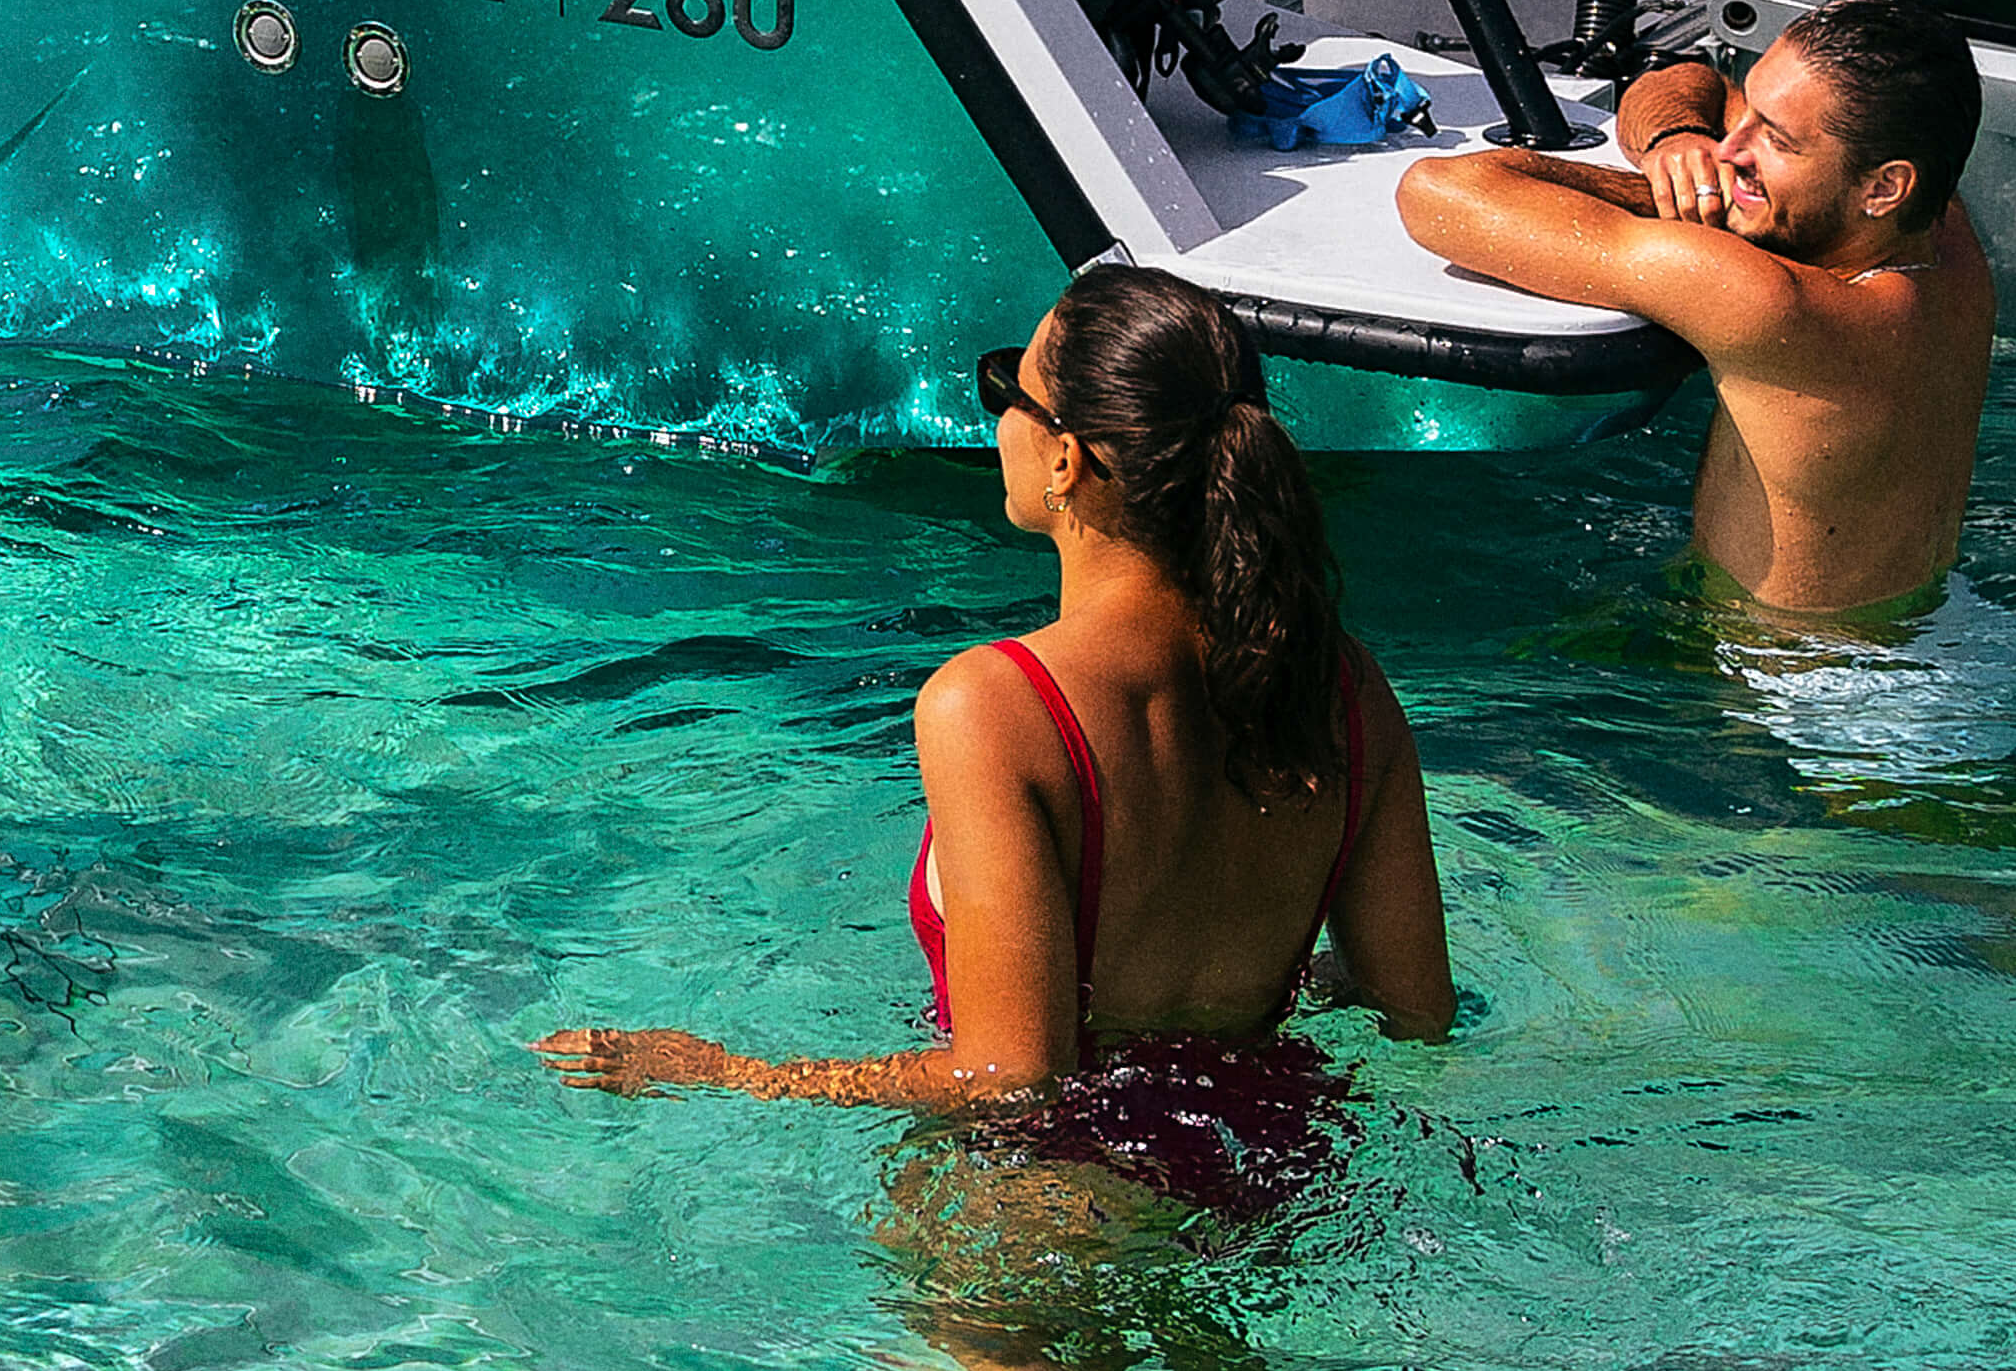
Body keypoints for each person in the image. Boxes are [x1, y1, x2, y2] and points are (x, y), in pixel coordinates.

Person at [541, 265, 1455, 1198]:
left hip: (1053, 1203)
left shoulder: (994, 706)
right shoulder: (1346, 689)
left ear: (1066, 460)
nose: (997, 416)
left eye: (1007, 390)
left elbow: (1009, 1077)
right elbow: (1417, 1009)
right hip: (1272, 1180)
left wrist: (728, 1071)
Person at [1387, 0, 1997, 617]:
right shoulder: (1946, 233)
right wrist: (1676, 139)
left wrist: (1688, 196)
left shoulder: (1772, 303)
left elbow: (1437, 193)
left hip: (1778, 664)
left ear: (1885, 186)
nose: (1732, 149)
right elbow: (1688, 82)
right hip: (1926, 624)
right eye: (1750, 111)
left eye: (1777, 142)